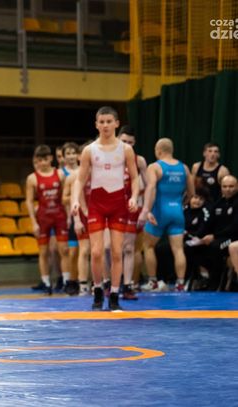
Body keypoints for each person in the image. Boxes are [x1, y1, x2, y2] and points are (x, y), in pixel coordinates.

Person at [72, 106, 139, 311]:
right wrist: (75, 200)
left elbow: (135, 177)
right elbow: (80, 179)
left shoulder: (125, 149)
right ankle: (98, 290)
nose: (105, 125)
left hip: (118, 203)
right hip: (97, 204)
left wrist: (134, 197)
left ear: (116, 123)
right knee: (96, 252)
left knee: (117, 252)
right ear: (96, 125)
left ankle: (115, 295)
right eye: (101, 122)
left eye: (109, 121)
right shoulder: (89, 150)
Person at [139, 138, 194, 292]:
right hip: (177, 211)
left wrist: (147, 210)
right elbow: (192, 193)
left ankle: (153, 282)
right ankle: (180, 284)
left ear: (158, 151)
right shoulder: (184, 168)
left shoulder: (155, 167)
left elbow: (151, 188)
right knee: (178, 249)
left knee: (148, 246)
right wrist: (181, 204)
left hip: (159, 211)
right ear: (171, 150)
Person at [26, 145, 69, 295]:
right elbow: (29, 201)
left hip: (59, 215)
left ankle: (66, 282)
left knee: (64, 250)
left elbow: (65, 197)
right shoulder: (32, 178)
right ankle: (46, 283)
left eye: (45, 159)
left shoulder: (60, 174)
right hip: (43, 217)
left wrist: (68, 217)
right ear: (36, 160)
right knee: (43, 252)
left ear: (50, 158)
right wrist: (33, 222)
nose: (43, 163)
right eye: (40, 160)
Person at [119, 126, 147, 300]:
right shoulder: (107, 158)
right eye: (124, 141)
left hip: (130, 208)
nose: (127, 145)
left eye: (130, 142)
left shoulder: (139, 161)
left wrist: (146, 209)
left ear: (134, 143)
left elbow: (149, 186)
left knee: (129, 248)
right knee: (108, 249)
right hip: (110, 208)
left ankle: (127, 285)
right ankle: (107, 283)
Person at [198, 175, 238, 290]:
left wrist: (214, 236)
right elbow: (208, 223)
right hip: (218, 237)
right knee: (194, 247)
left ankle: (217, 282)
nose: (228, 189)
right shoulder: (218, 203)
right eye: (225, 186)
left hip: (233, 238)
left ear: (237, 187)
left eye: (231, 186)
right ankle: (203, 278)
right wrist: (199, 237)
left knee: (215, 247)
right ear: (221, 188)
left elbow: (235, 227)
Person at [64, 142, 91, 296]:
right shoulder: (74, 177)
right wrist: (77, 219)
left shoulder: (99, 174)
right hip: (80, 215)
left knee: (98, 251)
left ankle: (99, 284)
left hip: (96, 214)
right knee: (82, 250)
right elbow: (65, 199)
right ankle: (81, 284)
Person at [60, 142, 81, 295]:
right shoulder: (62, 174)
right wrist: (76, 196)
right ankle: (69, 280)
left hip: (86, 214)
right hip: (68, 216)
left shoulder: (85, 171)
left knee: (86, 252)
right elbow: (63, 198)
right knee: (71, 252)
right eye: (68, 153)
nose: (72, 156)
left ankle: (87, 282)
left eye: (74, 153)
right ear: (63, 157)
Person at [183, 188, 212, 290]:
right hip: (182, 238)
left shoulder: (205, 211)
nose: (197, 201)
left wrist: (187, 234)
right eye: (195, 197)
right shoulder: (184, 209)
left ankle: (194, 277)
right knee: (162, 248)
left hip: (200, 240)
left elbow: (202, 231)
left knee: (188, 247)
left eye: (201, 199)